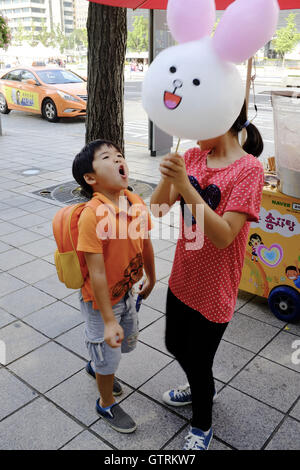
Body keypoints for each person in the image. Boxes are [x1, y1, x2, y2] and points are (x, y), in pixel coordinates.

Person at [150, 101, 265, 450]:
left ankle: (202, 424)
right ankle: (203, 388)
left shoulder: (249, 170)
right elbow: (157, 208)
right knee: (174, 343)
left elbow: (223, 235)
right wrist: (168, 178)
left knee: (200, 361)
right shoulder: (192, 159)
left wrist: (185, 186)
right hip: (183, 276)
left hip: (216, 286)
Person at [72, 139, 156, 433]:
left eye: (120, 155)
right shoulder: (92, 215)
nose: (119, 159)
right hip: (99, 302)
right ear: (91, 178)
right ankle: (105, 402)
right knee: (109, 353)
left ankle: (96, 366)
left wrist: (152, 276)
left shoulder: (135, 201)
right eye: (107, 157)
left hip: (127, 291)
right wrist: (108, 321)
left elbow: (144, 242)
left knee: (126, 343)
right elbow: (96, 273)